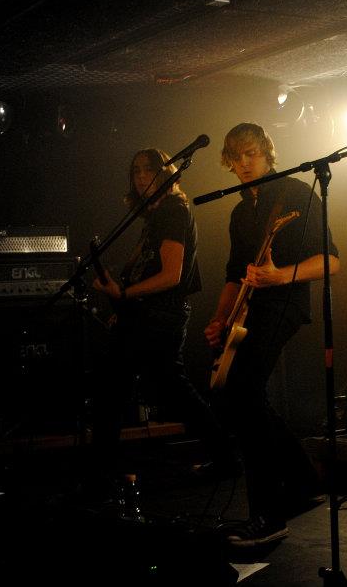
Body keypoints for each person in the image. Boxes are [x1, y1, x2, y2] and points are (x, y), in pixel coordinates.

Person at [204, 122, 340, 547]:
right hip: (248, 309)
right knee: (242, 394)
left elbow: (332, 261)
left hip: (284, 303)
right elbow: (234, 274)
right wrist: (219, 319)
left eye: (251, 153)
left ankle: (268, 514)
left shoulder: (296, 193)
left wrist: (279, 275)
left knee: (243, 391)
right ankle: (303, 479)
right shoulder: (240, 212)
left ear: (267, 152)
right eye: (236, 157)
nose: (244, 163)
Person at [89, 148, 234, 481]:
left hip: (159, 318)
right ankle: (225, 458)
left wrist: (123, 295)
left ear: (166, 172)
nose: (141, 176)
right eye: (136, 170)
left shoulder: (171, 211)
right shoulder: (156, 216)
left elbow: (171, 276)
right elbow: (148, 270)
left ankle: (100, 477)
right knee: (157, 389)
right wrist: (123, 305)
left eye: (149, 169)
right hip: (146, 316)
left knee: (122, 391)